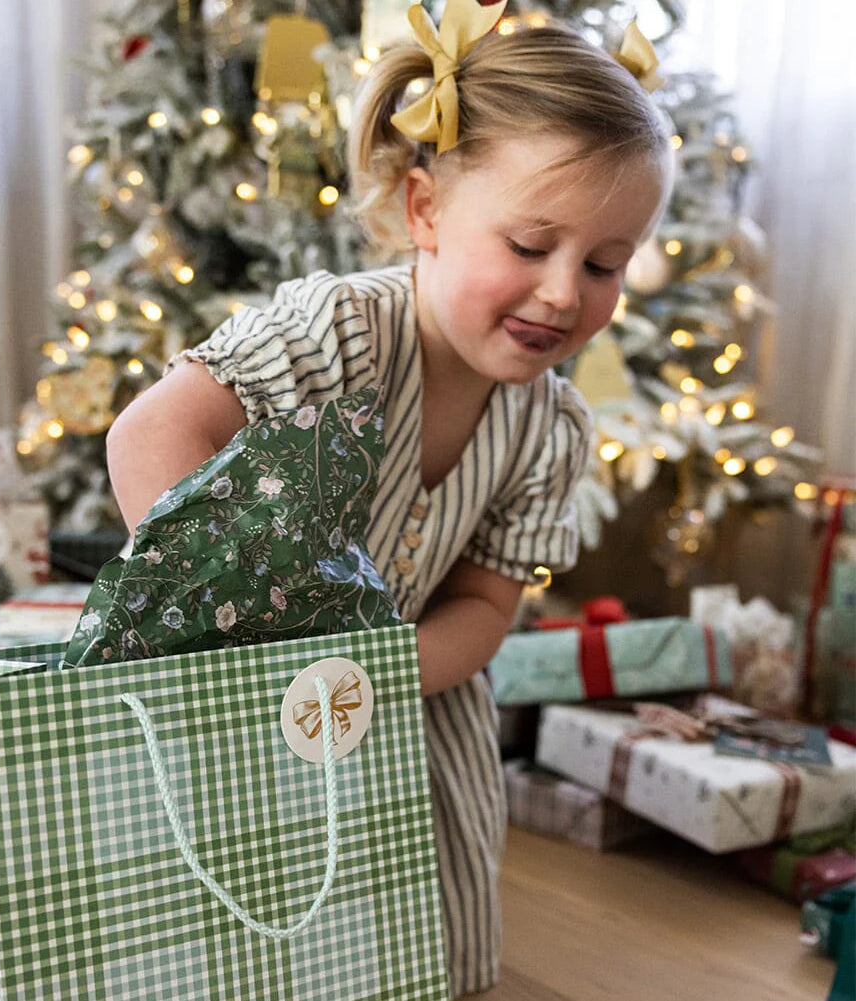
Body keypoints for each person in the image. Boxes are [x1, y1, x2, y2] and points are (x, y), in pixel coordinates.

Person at [106, 1, 673, 996]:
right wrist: (219, 628)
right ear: (424, 211)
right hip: (235, 681)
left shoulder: (551, 425)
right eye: (530, 244)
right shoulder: (343, 332)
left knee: (422, 944)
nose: (560, 292)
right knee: (219, 922)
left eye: (602, 264)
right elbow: (151, 433)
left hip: (405, 705)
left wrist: (360, 675)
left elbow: (484, 609)